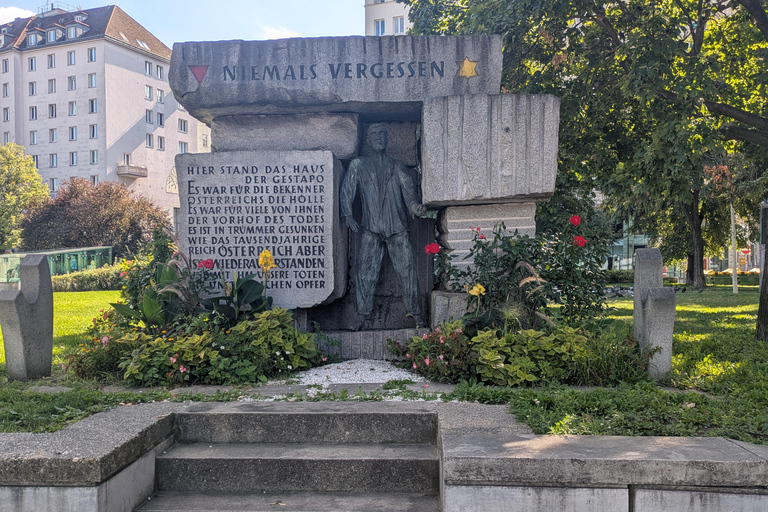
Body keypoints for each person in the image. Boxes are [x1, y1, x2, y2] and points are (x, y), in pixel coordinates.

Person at [340, 124, 427, 331]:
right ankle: (361, 315)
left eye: (382, 134)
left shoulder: (397, 166)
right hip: (371, 227)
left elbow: (409, 193)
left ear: (387, 139)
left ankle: (417, 315)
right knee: (365, 273)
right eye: (373, 135)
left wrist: (416, 208)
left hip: (397, 227)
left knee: (408, 272)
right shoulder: (359, 165)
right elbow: (347, 190)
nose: (378, 138)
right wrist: (347, 213)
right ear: (368, 140)